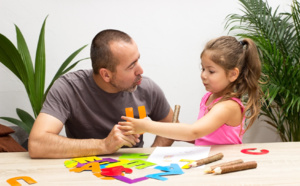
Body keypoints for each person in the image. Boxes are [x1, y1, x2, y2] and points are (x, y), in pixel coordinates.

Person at [28, 29, 175, 158]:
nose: (141, 70)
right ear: (106, 75)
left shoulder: (147, 88)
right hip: (83, 172)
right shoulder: (68, 88)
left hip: (133, 174)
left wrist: (152, 156)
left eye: (138, 60)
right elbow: (37, 144)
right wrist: (104, 145)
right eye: (131, 66)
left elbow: (172, 127)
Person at [118, 36, 263, 145]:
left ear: (233, 74)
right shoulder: (208, 98)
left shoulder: (228, 106)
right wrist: (176, 132)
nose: (203, 75)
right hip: (210, 163)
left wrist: (146, 126)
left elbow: (194, 132)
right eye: (203, 68)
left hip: (226, 165)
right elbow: (203, 138)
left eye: (211, 71)